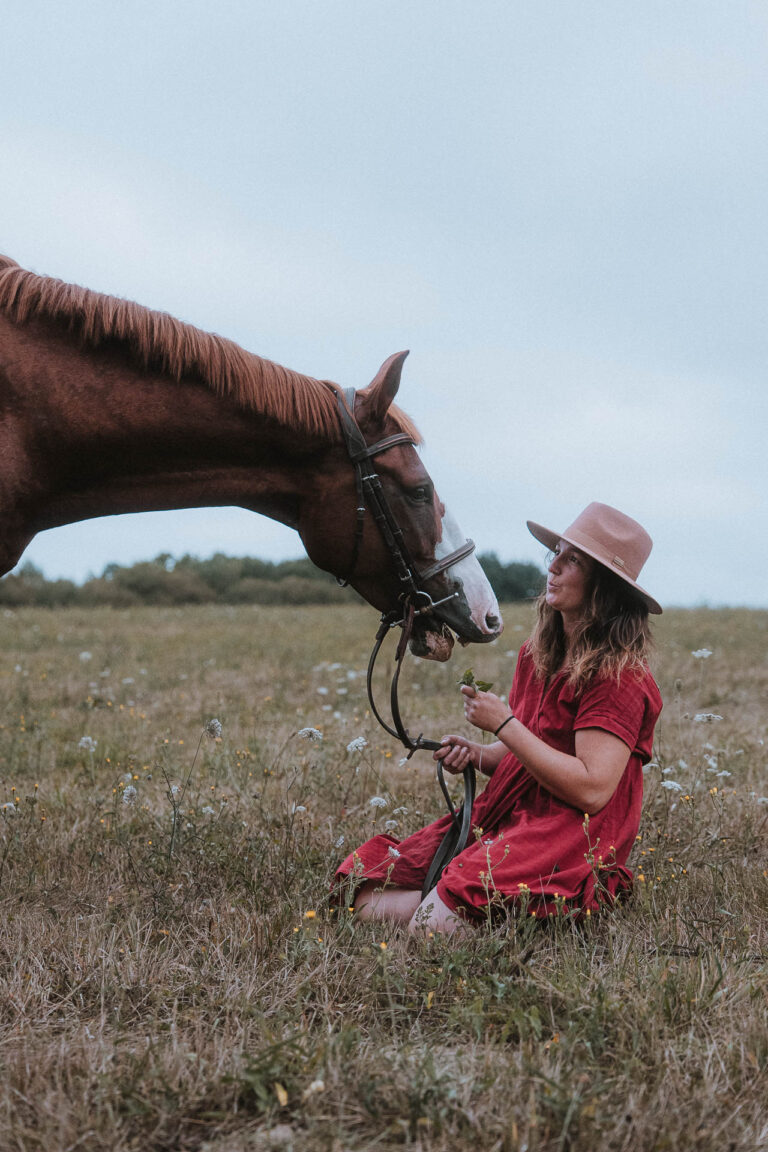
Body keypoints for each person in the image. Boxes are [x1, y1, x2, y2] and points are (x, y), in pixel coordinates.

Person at [334, 502, 663, 935]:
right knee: (362, 889)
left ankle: (505, 911)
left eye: (573, 560)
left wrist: (504, 724)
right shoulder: (536, 655)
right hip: (510, 811)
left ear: (605, 587)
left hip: (567, 831)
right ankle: (460, 907)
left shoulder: (620, 678)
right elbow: (529, 755)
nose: (554, 567)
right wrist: (479, 755)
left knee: (429, 927)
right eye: (557, 554)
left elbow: (591, 788)